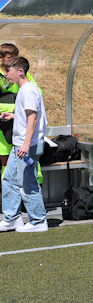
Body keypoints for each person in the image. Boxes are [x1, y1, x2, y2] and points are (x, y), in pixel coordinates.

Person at [0, 57, 48, 232]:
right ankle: (12, 218)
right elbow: (28, 115)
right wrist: (13, 116)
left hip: (26, 146)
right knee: (9, 179)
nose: (6, 74)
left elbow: (33, 118)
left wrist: (26, 145)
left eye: (8, 71)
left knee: (27, 183)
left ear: (20, 71)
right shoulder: (24, 90)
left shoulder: (28, 90)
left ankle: (38, 220)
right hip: (19, 144)